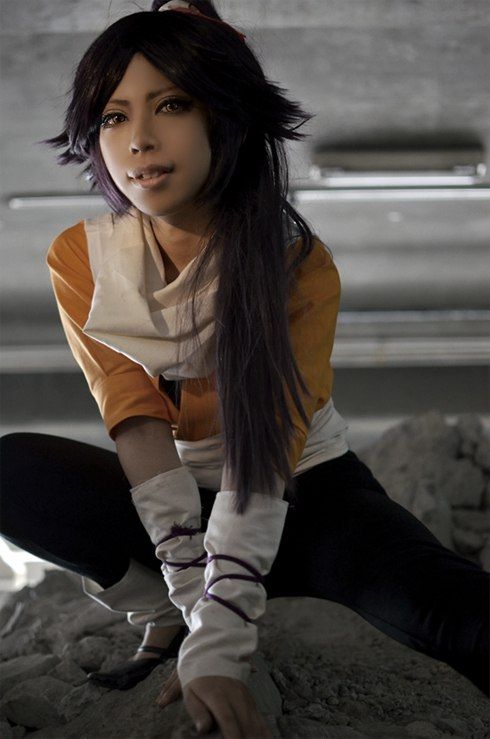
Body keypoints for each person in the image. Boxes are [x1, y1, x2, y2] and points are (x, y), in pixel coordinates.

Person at [0, 1, 488, 736]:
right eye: (112, 116)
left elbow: (265, 447)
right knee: (13, 470)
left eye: (170, 104)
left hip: (305, 491)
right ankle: (157, 606)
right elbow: (131, 413)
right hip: (170, 500)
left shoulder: (296, 265)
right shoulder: (81, 257)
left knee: (451, 614)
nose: (138, 140)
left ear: (223, 117)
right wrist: (193, 597)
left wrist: (222, 640)